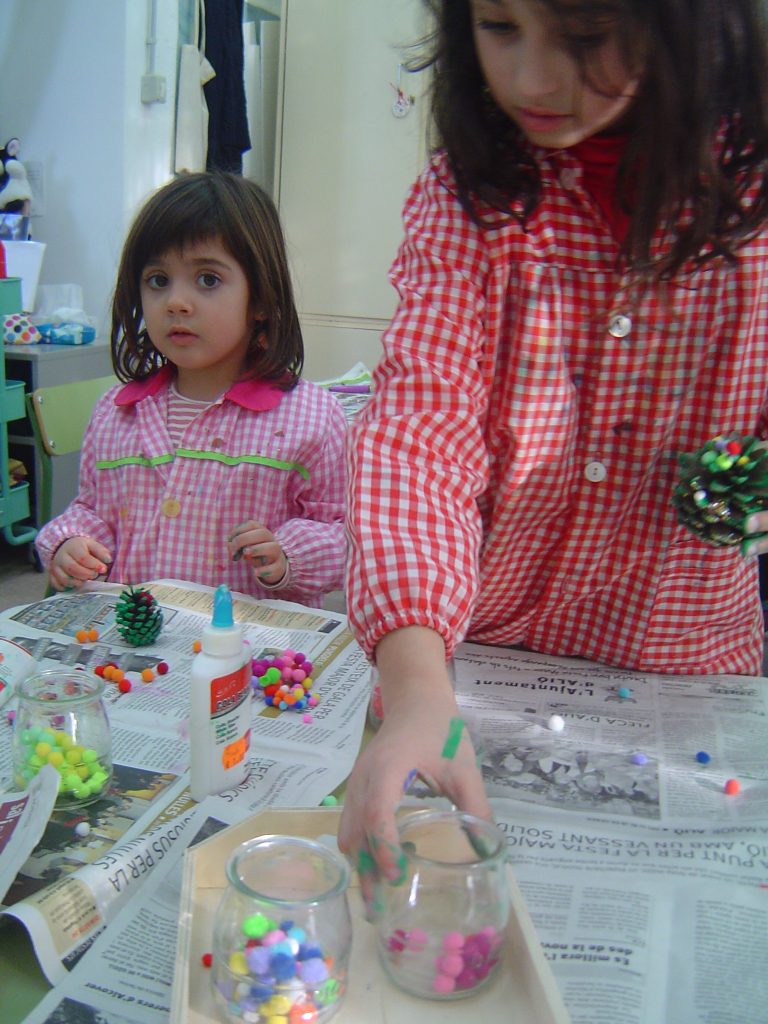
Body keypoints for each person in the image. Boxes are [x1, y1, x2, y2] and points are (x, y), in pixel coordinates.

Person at [338, 0, 768, 890]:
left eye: (585, 36)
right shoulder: (470, 194)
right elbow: (421, 434)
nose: (532, 78)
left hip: (681, 663)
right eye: (499, 26)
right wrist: (418, 690)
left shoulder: (753, 202)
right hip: (476, 655)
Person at [35, 173, 347, 606]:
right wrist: (72, 542)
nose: (175, 302)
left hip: (250, 641)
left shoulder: (312, 417)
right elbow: (92, 511)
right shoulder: (114, 413)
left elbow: (343, 533)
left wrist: (289, 555)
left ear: (260, 298)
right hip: (137, 640)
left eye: (207, 279)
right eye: (158, 280)